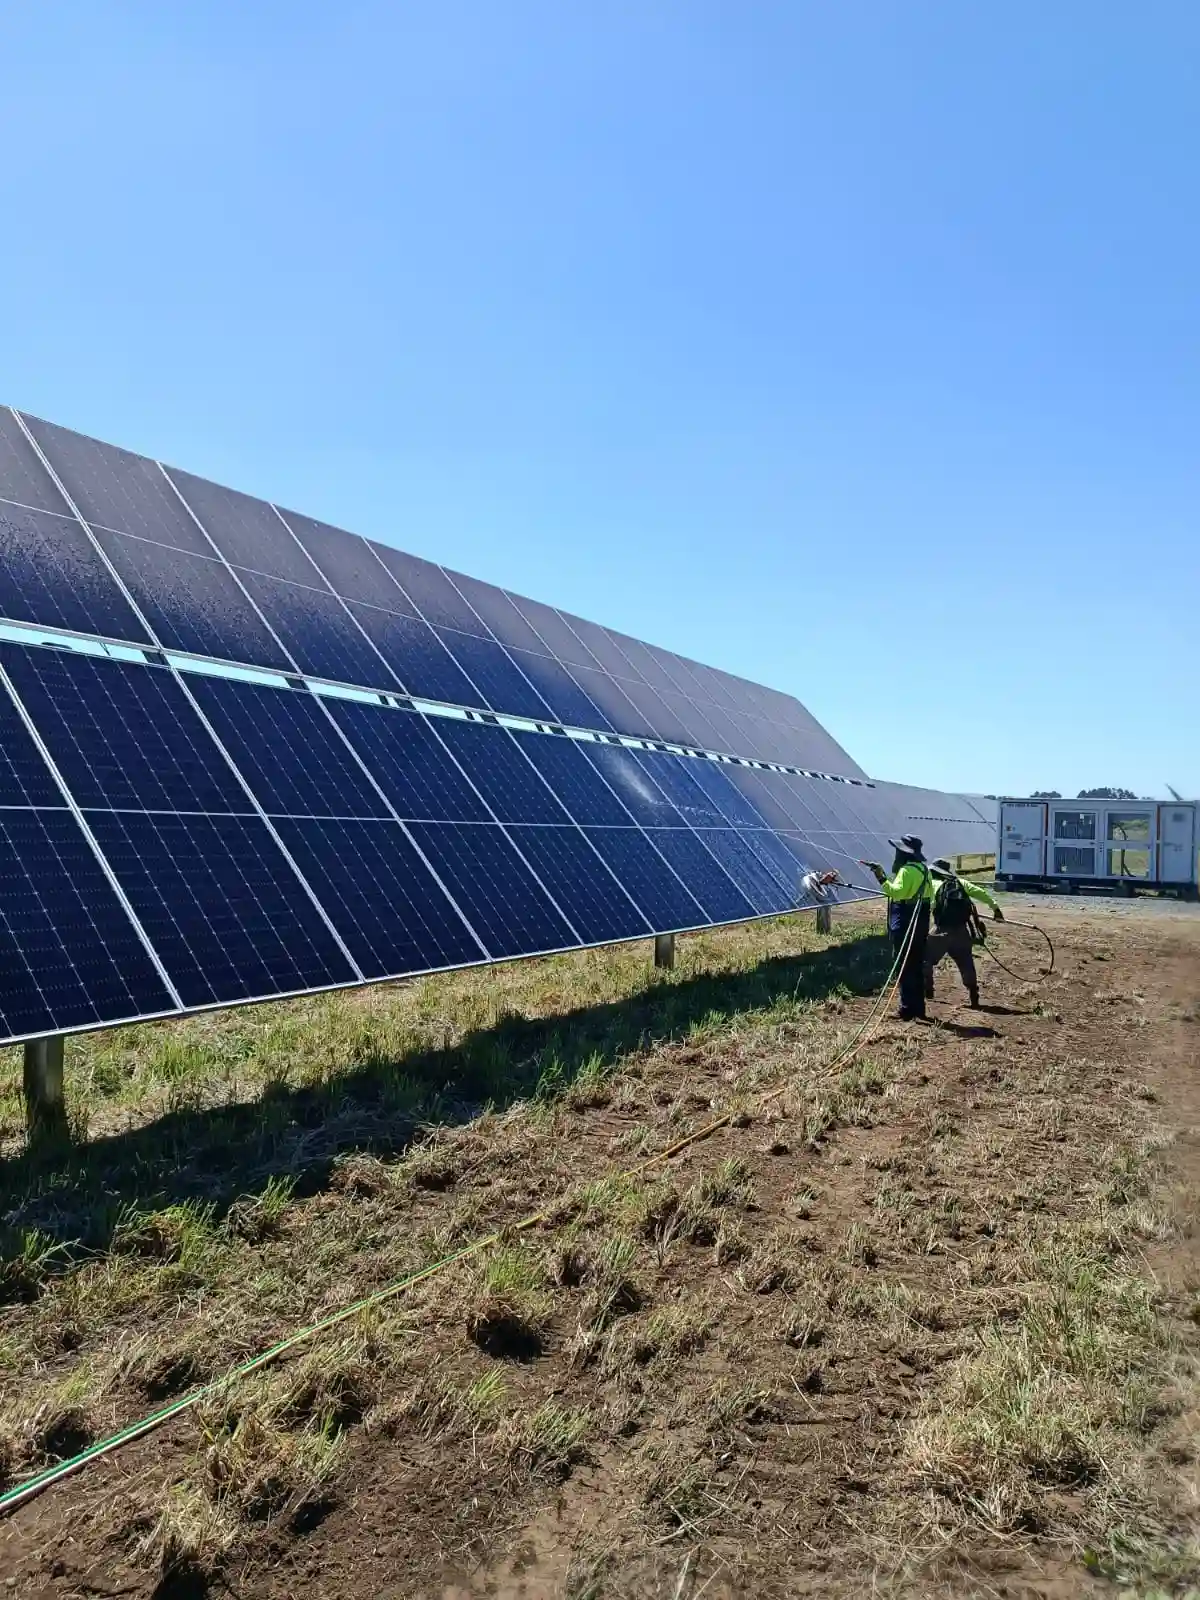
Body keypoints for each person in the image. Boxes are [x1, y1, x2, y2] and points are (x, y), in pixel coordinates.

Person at [865, 837, 932, 1021]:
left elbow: (895, 892)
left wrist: (880, 876)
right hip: (921, 920)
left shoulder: (906, 870)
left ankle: (906, 1009)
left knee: (903, 964)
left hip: (905, 919)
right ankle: (918, 1008)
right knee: (916, 964)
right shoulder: (925, 870)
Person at [924, 857, 1004, 1008]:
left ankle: (928, 990)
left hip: (941, 930)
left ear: (935, 872)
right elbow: (980, 893)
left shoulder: (933, 884)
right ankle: (973, 994)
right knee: (966, 962)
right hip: (962, 930)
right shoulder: (960, 883)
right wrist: (995, 909)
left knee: (925, 959)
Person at [800, 868, 841, 933]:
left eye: (831, 877)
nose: (827, 877)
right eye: (829, 874)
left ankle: (823, 930)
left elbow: (836, 902)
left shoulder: (829, 890)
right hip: (809, 894)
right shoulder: (815, 876)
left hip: (818, 903)